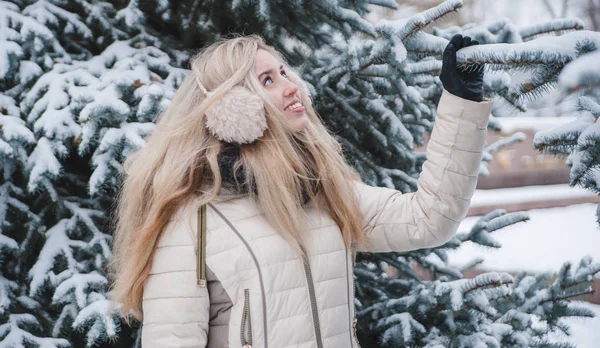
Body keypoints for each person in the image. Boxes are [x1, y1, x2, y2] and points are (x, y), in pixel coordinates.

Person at [108, 33, 492, 348]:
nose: (292, 87)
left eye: (284, 72)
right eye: (267, 81)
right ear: (233, 108)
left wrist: (461, 100)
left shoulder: (322, 191)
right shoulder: (194, 220)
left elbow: (429, 218)